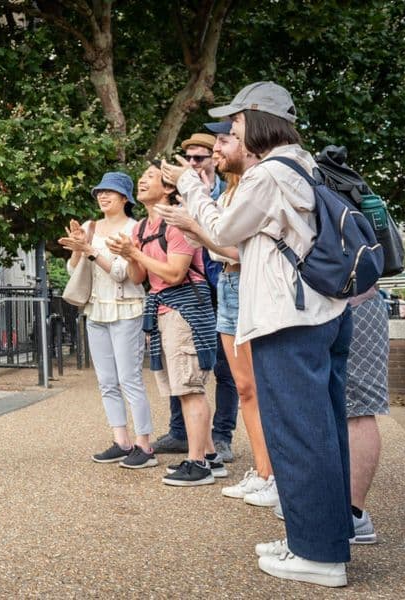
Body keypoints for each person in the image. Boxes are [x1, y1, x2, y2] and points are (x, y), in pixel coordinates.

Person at [161, 81, 352, 587]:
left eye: (237, 124)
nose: (232, 133)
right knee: (324, 430)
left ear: (260, 122)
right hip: (321, 312)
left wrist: (191, 186)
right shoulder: (303, 165)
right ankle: (323, 537)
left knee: (299, 432)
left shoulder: (270, 173)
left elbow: (223, 233)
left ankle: (317, 555)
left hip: (288, 319)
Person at [156, 123, 276, 505]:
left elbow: (235, 248)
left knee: (254, 386)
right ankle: (262, 471)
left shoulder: (249, 187)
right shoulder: (223, 193)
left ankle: (268, 471)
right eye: (188, 159)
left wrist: (194, 225)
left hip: (244, 282)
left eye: (221, 143)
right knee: (244, 387)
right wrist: (195, 226)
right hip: (225, 284)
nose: (197, 162)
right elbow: (217, 247)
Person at [107, 162, 223, 486]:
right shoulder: (140, 228)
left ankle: (197, 463)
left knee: (189, 388)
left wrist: (135, 253)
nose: (141, 182)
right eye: (141, 178)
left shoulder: (178, 223)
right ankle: (211, 456)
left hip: (186, 308)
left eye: (150, 178)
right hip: (164, 310)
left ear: (169, 188)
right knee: (182, 387)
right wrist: (131, 255)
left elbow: (175, 273)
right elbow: (139, 277)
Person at [275, 285, 389, 546]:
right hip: (331, 305)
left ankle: (353, 513)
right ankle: (333, 508)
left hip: (352, 302)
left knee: (358, 410)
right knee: (339, 409)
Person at [151, 132, 239, 463]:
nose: (192, 164)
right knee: (180, 364)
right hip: (190, 294)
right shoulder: (179, 197)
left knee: (225, 369)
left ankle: (221, 436)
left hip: (222, 290)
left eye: (199, 158)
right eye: (187, 158)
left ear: (213, 160)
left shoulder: (224, 193)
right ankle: (180, 432)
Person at [58, 172, 155, 469]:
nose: (102, 196)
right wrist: (78, 248)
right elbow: (73, 268)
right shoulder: (89, 226)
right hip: (96, 310)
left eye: (109, 192)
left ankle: (145, 445)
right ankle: (121, 440)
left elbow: (121, 272)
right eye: (99, 192)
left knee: (130, 379)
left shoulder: (135, 228)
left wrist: (90, 250)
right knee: (107, 381)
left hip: (127, 308)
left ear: (125, 198)